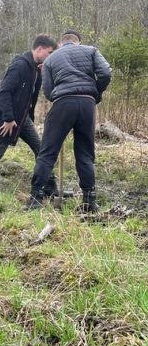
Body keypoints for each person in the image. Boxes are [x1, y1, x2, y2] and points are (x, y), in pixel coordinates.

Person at [26, 29, 112, 213]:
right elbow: (105, 73)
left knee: (47, 152)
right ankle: (89, 201)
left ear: (61, 42)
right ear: (77, 42)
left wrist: (58, 95)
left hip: (62, 103)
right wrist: (95, 91)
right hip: (87, 105)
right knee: (85, 154)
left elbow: (47, 90)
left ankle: (36, 197)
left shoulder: (50, 59)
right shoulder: (91, 51)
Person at [0, 35, 58, 190]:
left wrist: (29, 118)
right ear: (39, 49)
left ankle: (49, 188)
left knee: (41, 149)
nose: (50, 57)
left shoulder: (36, 69)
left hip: (23, 120)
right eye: (49, 53)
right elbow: (4, 92)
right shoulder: (20, 65)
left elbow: (31, 97)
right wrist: (8, 118)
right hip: (8, 119)